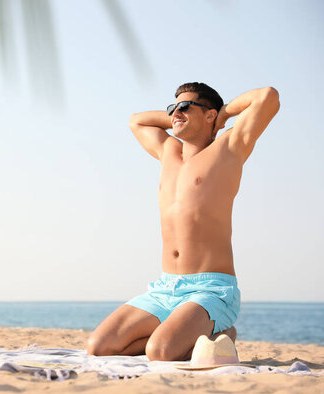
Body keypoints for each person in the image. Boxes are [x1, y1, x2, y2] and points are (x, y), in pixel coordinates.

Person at [87, 83, 280, 361]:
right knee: (98, 346)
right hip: (165, 287)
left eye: (185, 106)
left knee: (161, 351)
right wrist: (180, 116)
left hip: (211, 288)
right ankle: (183, 334)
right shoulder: (168, 151)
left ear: (210, 115)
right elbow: (136, 121)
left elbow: (267, 97)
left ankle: (222, 334)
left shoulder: (229, 147)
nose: (176, 112)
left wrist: (223, 116)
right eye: (172, 107)